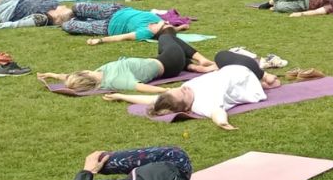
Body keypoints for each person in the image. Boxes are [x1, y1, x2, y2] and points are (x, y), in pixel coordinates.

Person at [105, 50, 278, 130]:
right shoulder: (202, 104)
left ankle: (263, 77)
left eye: (177, 89)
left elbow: (151, 100)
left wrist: (120, 95)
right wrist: (224, 124)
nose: (184, 87)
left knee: (222, 58)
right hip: (244, 72)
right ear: (187, 108)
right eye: (183, 93)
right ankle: (265, 76)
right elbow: (216, 113)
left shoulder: (179, 96)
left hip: (233, 74)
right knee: (221, 55)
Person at [40, 28, 219, 93]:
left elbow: (69, 77)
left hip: (163, 60)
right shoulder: (114, 80)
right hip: (170, 64)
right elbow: (141, 87)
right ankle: (202, 61)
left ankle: (194, 66)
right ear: (85, 74)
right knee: (166, 35)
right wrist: (168, 90)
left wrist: (51, 75)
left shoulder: (100, 74)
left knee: (166, 40)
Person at [65, 147, 194, 180]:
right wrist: (88, 172)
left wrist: (88, 172)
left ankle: (102, 164)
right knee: (176, 155)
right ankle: (102, 163)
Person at [61, 3, 187, 43]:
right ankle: (76, 15)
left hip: (106, 27)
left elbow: (123, 37)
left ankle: (72, 19)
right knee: (77, 7)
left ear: (157, 31)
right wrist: (180, 28)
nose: (163, 22)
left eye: (163, 25)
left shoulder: (145, 32)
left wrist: (100, 40)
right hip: (115, 10)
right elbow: (170, 31)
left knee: (68, 26)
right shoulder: (159, 21)